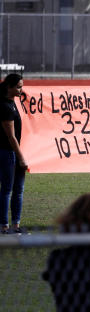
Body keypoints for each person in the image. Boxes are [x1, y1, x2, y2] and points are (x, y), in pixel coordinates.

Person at [0, 73, 27, 235]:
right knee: (7, 190)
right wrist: (21, 157)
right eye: (18, 87)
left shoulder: (12, 102)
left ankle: (16, 226)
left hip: (13, 152)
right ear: (9, 87)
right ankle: (4, 226)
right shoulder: (4, 106)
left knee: (18, 190)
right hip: (8, 153)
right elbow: (11, 137)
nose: (21, 90)